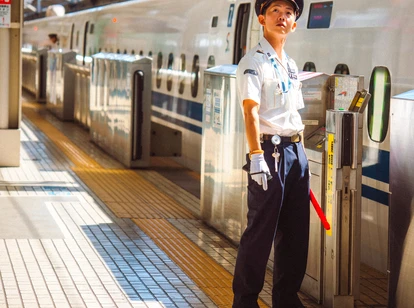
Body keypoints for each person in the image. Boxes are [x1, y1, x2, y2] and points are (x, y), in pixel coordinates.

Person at [232, 0, 309, 307]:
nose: (282, 16)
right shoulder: (254, 61)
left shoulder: (289, 63)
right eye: (275, 10)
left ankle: (286, 300)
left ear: (295, 23)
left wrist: (300, 156)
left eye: (289, 12)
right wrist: (255, 156)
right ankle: (246, 301)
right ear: (262, 18)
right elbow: (250, 113)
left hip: (295, 151)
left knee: (295, 233)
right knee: (260, 232)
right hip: (270, 152)